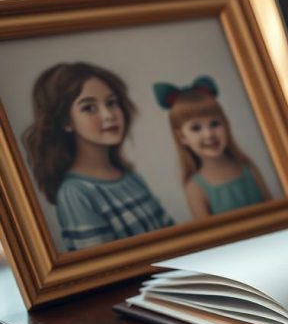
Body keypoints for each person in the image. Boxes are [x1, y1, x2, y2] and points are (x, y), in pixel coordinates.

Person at [22, 62, 174, 251]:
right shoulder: (75, 194)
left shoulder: (129, 177)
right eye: (89, 108)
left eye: (111, 103)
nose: (109, 115)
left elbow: (171, 233)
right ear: (65, 121)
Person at [155, 76, 271, 219]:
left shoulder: (249, 168)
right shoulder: (195, 188)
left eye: (214, 124)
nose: (209, 134)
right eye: (196, 128)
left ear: (226, 125)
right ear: (182, 138)